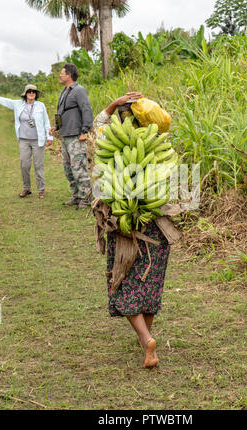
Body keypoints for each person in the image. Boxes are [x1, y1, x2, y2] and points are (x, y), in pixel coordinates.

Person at [93, 93, 171, 368]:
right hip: (157, 224)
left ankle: (145, 338)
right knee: (149, 280)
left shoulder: (110, 138)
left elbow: (97, 123)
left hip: (126, 224)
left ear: (122, 116)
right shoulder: (160, 143)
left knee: (123, 282)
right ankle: (146, 337)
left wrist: (113, 103)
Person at [0, 84, 53, 198]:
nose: (31, 93)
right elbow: (5, 101)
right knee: (24, 165)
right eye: (29, 91)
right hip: (23, 140)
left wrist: (50, 137)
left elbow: (46, 122)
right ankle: (26, 188)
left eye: (33, 91)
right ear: (25, 94)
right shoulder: (18, 104)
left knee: (38, 165)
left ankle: (41, 190)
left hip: (38, 140)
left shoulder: (40, 105)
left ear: (36, 94)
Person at [49, 63, 93, 209]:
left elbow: (86, 110)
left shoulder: (79, 91)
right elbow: (61, 112)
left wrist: (85, 130)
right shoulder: (64, 92)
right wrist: (56, 126)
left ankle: (86, 198)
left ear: (69, 75)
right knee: (68, 169)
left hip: (76, 136)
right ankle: (76, 196)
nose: (60, 75)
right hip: (65, 136)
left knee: (79, 168)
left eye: (62, 73)